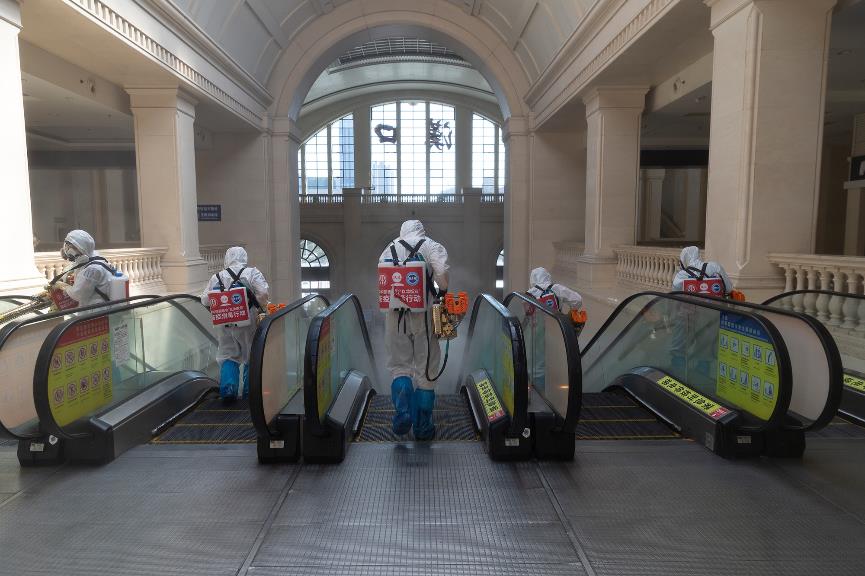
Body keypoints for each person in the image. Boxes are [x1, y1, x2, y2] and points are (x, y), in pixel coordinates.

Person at [380, 220, 449, 440]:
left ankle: (402, 413)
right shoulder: (431, 245)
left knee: (399, 367)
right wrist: (442, 292)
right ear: (421, 230)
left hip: (394, 314)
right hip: (423, 315)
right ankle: (422, 427)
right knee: (426, 369)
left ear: (402, 231)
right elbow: (442, 274)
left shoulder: (390, 247)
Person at [201, 246, 269, 402]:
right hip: (248, 321)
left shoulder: (217, 277)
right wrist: (259, 306)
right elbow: (263, 293)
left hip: (224, 322)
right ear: (244, 257)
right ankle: (249, 393)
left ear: (227, 258)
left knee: (228, 355)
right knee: (251, 354)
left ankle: (228, 391)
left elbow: (205, 299)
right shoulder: (252, 273)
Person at [55, 229, 115, 307]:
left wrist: (64, 286)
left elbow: (78, 294)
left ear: (81, 247)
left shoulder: (92, 269)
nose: (67, 250)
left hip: (97, 309)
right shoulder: (92, 257)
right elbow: (75, 266)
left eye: (70, 247)